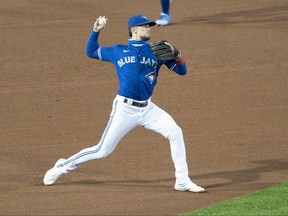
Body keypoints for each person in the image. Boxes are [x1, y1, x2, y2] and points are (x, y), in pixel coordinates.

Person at [43, 14, 204, 193]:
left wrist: (178, 55)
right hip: (125, 109)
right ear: (134, 30)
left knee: (175, 132)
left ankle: (182, 181)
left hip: (148, 109)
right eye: (145, 26)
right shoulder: (118, 51)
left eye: (149, 26)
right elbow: (91, 51)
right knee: (102, 150)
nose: (149, 28)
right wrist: (96, 31)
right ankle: (62, 166)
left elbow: (182, 71)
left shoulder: (156, 51)